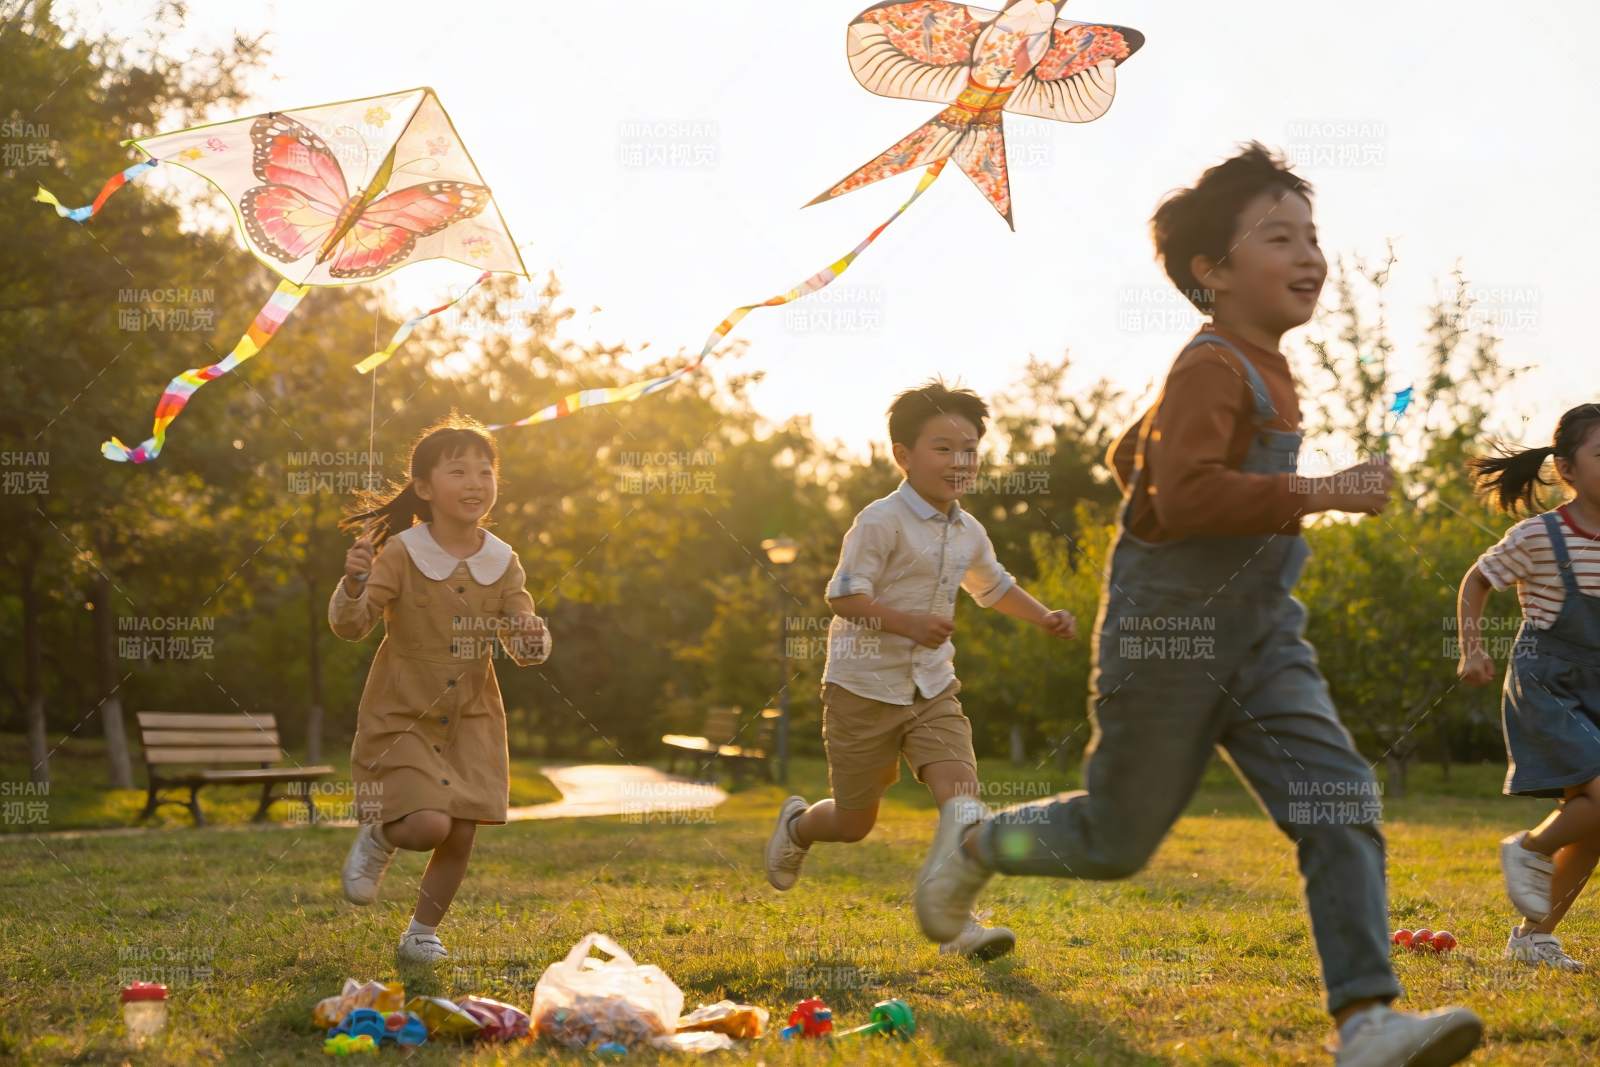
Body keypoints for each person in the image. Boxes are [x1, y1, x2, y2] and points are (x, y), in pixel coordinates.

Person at [911, 144, 1482, 1065]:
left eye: (1312, 236)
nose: (1309, 257)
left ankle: (1368, 1020)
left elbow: (1131, 459)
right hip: (1165, 638)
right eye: (1279, 237)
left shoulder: (1259, 366)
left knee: (1338, 796)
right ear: (1211, 271)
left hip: (1263, 637)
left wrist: (1153, 460)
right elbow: (1188, 500)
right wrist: (1322, 490)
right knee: (1113, 840)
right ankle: (979, 843)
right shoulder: (1212, 365)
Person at [765, 380, 1077, 959]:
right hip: (862, 688)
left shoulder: (968, 531)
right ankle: (799, 827)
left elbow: (994, 586)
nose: (960, 461)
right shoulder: (879, 521)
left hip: (933, 688)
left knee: (962, 801)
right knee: (855, 821)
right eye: (943, 448)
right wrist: (906, 623)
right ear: (903, 455)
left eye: (971, 449)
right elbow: (843, 597)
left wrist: (1043, 617)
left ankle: (956, 924)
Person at [330, 414, 550, 965]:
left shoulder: (504, 561)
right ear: (425, 489)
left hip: (473, 715)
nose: (475, 482)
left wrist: (531, 634)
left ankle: (422, 934)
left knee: (461, 831)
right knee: (429, 824)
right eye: (458, 471)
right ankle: (381, 835)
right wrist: (354, 580)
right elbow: (353, 626)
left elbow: (524, 643)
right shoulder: (402, 552)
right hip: (403, 710)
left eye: (485, 470)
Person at [1458, 403, 1600, 973]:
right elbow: (1476, 581)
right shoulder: (1540, 536)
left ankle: (1533, 939)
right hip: (1547, 684)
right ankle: (1530, 848)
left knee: (1593, 822)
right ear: (1566, 469)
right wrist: (1471, 647)